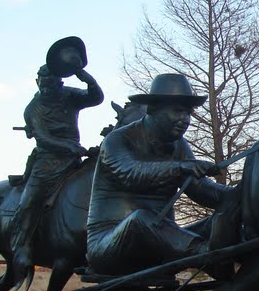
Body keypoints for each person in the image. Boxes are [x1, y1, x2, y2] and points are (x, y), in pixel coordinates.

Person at [86, 73, 229, 275]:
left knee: (219, 220)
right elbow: (131, 174)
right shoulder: (117, 140)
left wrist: (244, 192)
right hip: (109, 246)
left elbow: (201, 190)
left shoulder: (178, 145)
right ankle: (206, 255)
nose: (185, 120)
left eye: (188, 113)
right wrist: (182, 167)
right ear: (152, 108)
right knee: (140, 219)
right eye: (178, 111)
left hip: (159, 245)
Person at [10, 41, 104, 288]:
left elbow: (96, 98)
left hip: (73, 161)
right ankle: (21, 247)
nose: (48, 89)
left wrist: (84, 76)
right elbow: (43, 138)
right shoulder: (34, 108)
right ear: (38, 83)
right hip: (47, 162)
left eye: (53, 84)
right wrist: (68, 146)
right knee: (32, 199)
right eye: (44, 84)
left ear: (60, 83)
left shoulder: (70, 95)